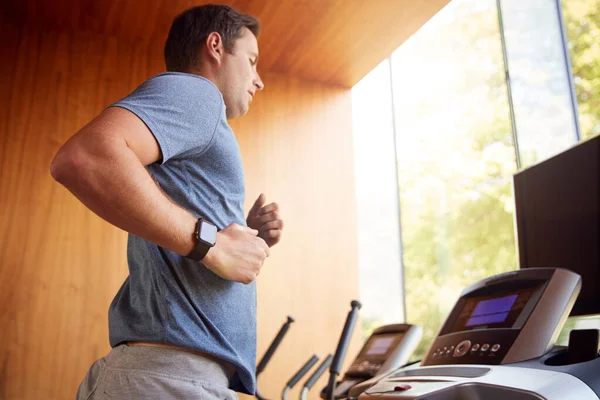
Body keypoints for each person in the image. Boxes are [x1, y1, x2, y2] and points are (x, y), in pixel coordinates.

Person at [50, 4, 283, 399]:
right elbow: (85, 157)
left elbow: (184, 225)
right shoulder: (198, 93)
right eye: (252, 60)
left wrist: (245, 235)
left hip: (173, 378)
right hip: (168, 378)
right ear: (215, 46)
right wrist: (212, 243)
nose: (258, 80)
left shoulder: (198, 115)